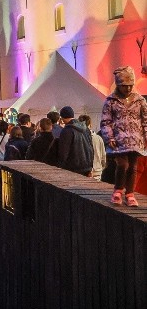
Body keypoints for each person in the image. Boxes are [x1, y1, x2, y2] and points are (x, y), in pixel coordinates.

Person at [100, 66, 147, 206]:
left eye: (130, 85)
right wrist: (109, 137)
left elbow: (145, 120)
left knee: (133, 166)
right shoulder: (110, 101)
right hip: (118, 140)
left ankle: (130, 193)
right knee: (122, 164)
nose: (127, 89)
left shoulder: (140, 100)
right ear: (118, 85)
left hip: (136, 139)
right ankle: (118, 190)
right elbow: (105, 121)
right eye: (124, 86)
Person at [56, 106, 94, 176]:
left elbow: (63, 152)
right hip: (86, 167)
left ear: (62, 117)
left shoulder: (67, 131)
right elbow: (91, 147)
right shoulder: (86, 129)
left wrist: (59, 168)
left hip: (72, 169)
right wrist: (90, 167)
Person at [79, 114, 107, 181]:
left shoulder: (79, 138)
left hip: (83, 172)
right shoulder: (99, 138)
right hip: (97, 172)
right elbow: (103, 157)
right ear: (90, 124)